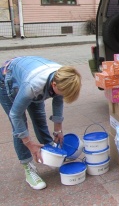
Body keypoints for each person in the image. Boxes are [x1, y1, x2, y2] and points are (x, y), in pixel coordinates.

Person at [0, 56, 82, 190]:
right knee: (20, 127)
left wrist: (58, 129)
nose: (62, 96)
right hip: (7, 80)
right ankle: (28, 169)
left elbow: (58, 99)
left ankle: (50, 153)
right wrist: (30, 144)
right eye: (62, 93)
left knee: (39, 118)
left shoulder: (63, 76)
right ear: (54, 85)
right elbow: (15, 115)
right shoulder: (33, 87)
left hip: (30, 74)